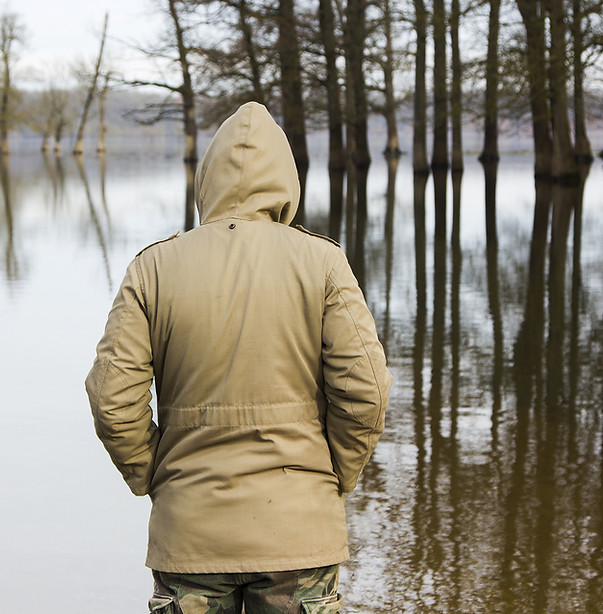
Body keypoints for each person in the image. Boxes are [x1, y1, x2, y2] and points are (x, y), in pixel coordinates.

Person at [85, 101, 392, 614]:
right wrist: (333, 474)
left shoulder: (153, 268)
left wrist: (155, 474)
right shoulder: (322, 262)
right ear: (286, 180)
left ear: (208, 180)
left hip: (191, 533)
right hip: (300, 530)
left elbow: (112, 402)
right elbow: (367, 393)